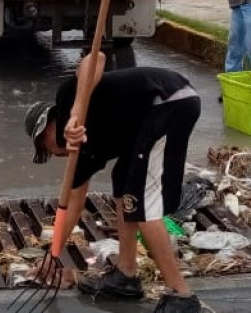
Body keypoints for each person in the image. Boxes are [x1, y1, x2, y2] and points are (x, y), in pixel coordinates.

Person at [24, 55, 202, 313]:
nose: (52, 153)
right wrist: (53, 255)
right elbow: (73, 204)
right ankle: (126, 274)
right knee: (123, 184)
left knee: (141, 202)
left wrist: (75, 112)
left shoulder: (67, 99)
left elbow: (96, 59)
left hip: (168, 101)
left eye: (45, 146)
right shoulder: (82, 154)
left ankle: (182, 296)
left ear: (47, 128)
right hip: (148, 120)